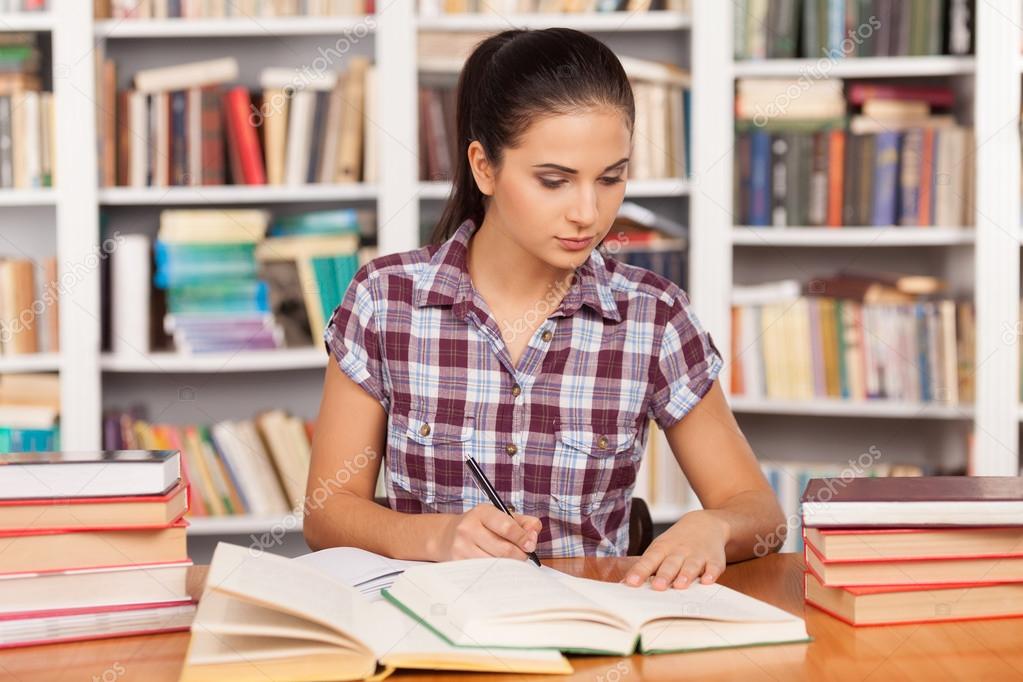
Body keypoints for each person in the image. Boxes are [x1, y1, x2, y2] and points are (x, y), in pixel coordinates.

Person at [304, 27, 786, 591]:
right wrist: (436, 538)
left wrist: (714, 526)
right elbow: (325, 513)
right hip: (432, 634)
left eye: (611, 178)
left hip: (591, 640)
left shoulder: (653, 317)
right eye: (554, 181)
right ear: (484, 167)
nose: (588, 212)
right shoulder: (385, 300)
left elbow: (762, 516)